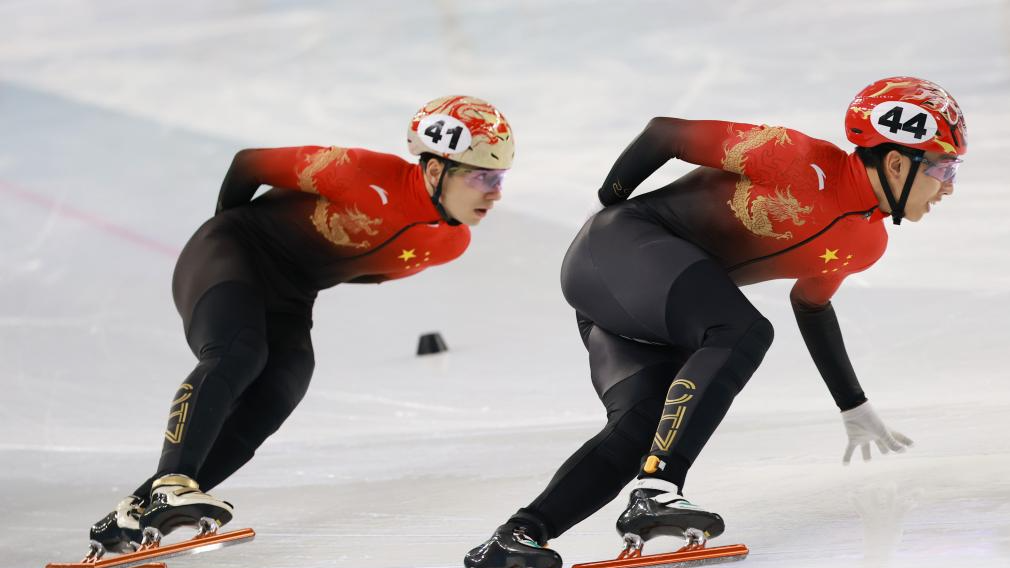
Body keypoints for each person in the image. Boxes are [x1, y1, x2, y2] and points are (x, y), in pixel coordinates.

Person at [464, 77, 966, 568]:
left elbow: (811, 307)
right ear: (899, 161)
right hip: (620, 251)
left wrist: (852, 405)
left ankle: (516, 538)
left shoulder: (868, 244)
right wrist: (609, 206)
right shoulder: (794, 155)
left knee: (641, 428)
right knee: (741, 328)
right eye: (944, 169)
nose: (948, 187)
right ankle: (657, 490)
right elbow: (667, 133)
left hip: (644, 306)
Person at [86, 95, 515, 554]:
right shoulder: (358, 171)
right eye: (480, 176)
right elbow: (247, 165)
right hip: (231, 253)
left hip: (290, 292)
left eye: (500, 177)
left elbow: (364, 271)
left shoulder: (450, 243)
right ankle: (173, 480)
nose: (495, 191)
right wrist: (221, 239)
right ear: (434, 170)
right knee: (240, 351)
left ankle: (142, 505)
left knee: (282, 388)